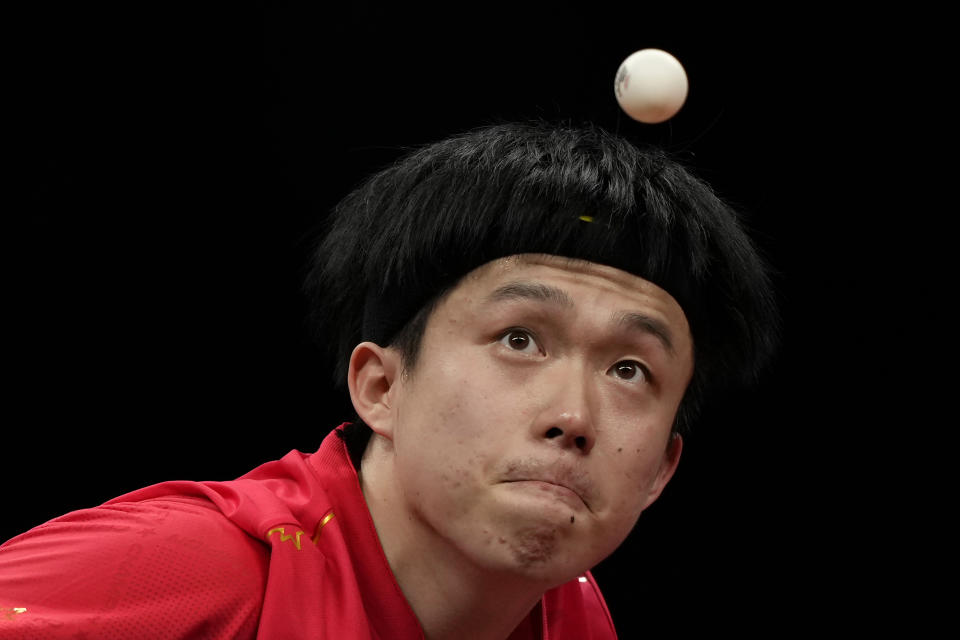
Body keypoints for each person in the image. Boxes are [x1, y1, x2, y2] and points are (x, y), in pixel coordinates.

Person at [0, 121, 778, 639]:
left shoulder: (572, 619)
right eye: (519, 339)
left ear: (662, 472)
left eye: (630, 369)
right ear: (380, 387)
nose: (573, 415)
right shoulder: (196, 569)